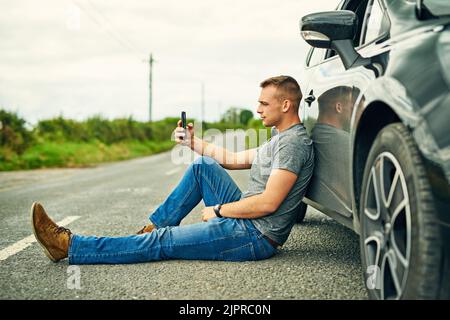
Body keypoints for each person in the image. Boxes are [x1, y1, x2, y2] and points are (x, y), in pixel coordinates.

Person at [31, 75, 314, 265]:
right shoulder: (281, 139)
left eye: (264, 103)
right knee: (204, 166)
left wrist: (218, 211)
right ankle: (152, 230)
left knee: (164, 243)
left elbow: (269, 203)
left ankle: (71, 246)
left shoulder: (292, 145)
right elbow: (232, 158)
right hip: (247, 221)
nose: (258, 109)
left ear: (286, 104)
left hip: (254, 236)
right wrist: (192, 142)